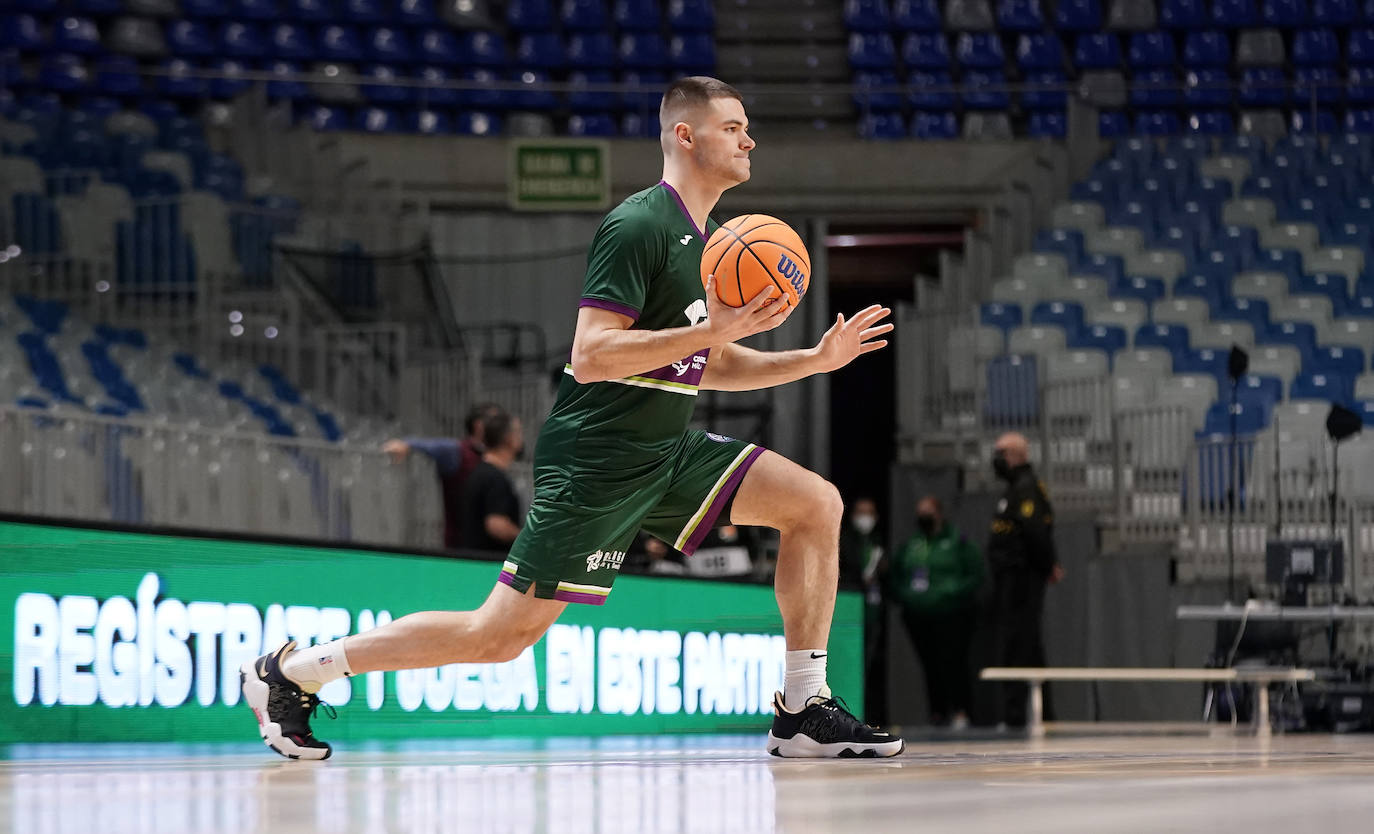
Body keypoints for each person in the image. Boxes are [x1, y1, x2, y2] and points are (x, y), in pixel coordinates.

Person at [241, 76, 901, 760]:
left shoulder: (703, 240)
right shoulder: (640, 224)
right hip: (600, 457)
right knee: (496, 638)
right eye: (732, 126)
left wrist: (814, 360)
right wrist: (710, 335)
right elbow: (591, 356)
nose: (747, 138)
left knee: (816, 504)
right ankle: (290, 673)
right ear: (685, 135)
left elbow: (711, 362)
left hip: (664, 447)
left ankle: (802, 707)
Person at [986, 432, 1064, 729]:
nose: (997, 460)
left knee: (1021, 645)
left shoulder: (1027, 488)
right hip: (1009, 579)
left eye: (1001, 453)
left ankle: (1019, 715)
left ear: (1017, 455)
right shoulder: (1013, 489)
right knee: (1020, 644)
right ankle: (1031, 713)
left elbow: (1036, 534)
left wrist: (1048, 565)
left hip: (1023, 580)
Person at [891, 496, 983, 728]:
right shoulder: (913, 543)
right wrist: (907, 596)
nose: (923, 516)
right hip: (919, 616)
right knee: (929, 665)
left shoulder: (957, 541)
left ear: (939, 513)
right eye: (920, 512)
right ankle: (937, 713)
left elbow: (976, 575)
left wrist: (950, 592)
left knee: (953, 663)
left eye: (928, 511)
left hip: (952, 614)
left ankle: (962, 710)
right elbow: (896, 575)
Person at [382, 402, 505, 549]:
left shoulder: (499, 458)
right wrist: (405, 444)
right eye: (497, 422)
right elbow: (427, 445)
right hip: (460, 546)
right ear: (478, 425)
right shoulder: (456, 452)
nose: (503, 427)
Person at [838, 497, 887, 724]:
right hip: (848, 610)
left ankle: (869, 716)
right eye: (860, 512)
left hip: (872, 611)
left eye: (869, 512)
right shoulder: (845, 540)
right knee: (848, 664)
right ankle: (846, 712)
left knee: (871, 665)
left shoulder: (878, 542)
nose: (864, 518)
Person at [459, 411, 525, 554]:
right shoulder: (494, 479)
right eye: (518, 433)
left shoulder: (479, 472)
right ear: (509, 438)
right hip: (490, 564)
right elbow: (497, 525)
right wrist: (527, 539)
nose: (521, 438)